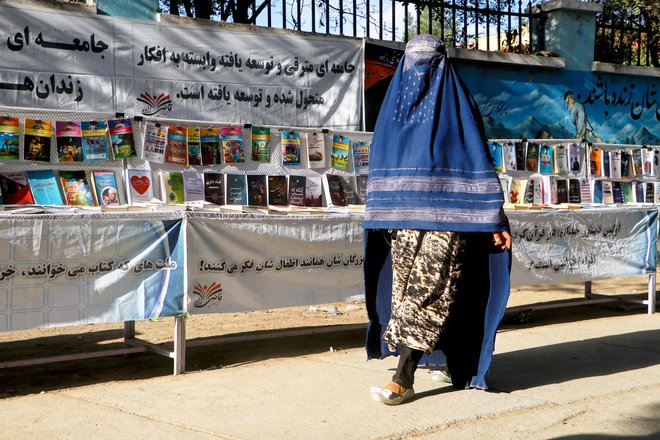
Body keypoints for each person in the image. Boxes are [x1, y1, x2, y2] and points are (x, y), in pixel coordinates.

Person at [364, 35, 512, 406]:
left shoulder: (458, 107)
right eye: (414, 61)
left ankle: (404, 375)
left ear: (441, 63)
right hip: (402, 220)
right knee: (403, 292)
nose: (420, 71)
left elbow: (477, 159)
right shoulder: (393, 111)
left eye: (427, 62)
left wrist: (496, 219)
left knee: (428, 289)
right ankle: (442, 357)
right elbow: (381, 162)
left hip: (450, 217)